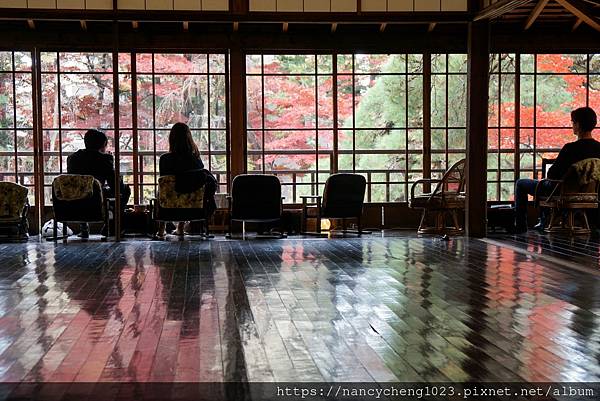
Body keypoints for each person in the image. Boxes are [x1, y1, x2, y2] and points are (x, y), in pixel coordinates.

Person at [514, 107, 599, 233]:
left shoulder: (570, 148)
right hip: (591, 194)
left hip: (563, 192)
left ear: (578, 124)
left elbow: (552, 173)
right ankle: (545, 219)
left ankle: (521, 227)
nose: (572, 126)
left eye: (573, 122)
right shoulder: (599, 148)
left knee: (520, 183)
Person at [67, 129, 131, 238]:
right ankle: (111, 226)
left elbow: (74, 182)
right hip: (96, 196)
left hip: (76, 198)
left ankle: (84, 228)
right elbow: (116, 186)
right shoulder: (105, 159)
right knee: (125, 189)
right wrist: (114, 170)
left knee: (83, 192)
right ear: (102, 144)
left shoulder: (72, 158)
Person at [157, 122, 217, 238]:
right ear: (189, 138)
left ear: (171, 139)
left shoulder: (165, 159)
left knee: (164, 186)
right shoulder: (195, 159)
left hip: (168, 208)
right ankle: (180, 227)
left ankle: (161, 229)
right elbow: (194, 183)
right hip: (194, 209)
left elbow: (165, 185)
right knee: (189, 184)